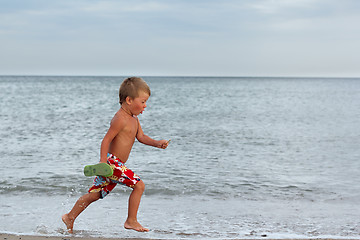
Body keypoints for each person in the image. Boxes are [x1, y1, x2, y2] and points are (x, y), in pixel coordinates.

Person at [62, 77, 170, 233]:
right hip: (112, 164)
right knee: (139, 186)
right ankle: (131, 220)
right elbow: (106, 140)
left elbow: (141, 137)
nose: (145, 106)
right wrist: (102, 163)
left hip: (116, 165)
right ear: (129, 100)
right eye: (143, 101)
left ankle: (70, 216)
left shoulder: (135, 120)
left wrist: (157, 143)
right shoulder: (120, 119)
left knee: (95, 194)